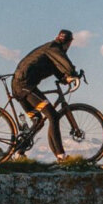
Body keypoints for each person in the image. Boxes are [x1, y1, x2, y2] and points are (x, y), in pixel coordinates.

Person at [12, 29, 79, 161]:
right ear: (69, 42)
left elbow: (57, 70)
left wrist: (65, 79)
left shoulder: (50, 51)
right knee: (53, 116)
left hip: (19, 85)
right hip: (25, 86)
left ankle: (19, 152)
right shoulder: (54, 48)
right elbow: (66, 65)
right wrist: (73, 74)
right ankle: (61, 155)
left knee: (37, 121)